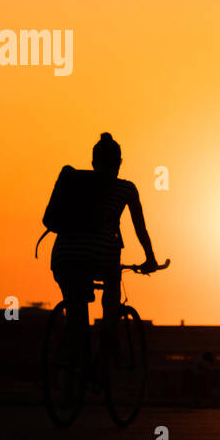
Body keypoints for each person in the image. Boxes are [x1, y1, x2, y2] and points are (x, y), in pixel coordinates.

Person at [47, 133, 159, 371]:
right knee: (112, 285)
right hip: (100, 257)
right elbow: (140, 228)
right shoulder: (125, 189)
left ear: (93, 162)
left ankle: (67, 367)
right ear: (119, 163)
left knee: (76, 311)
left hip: (63, 256)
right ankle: (107, 337)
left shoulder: (75, 182)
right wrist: (150, 258)